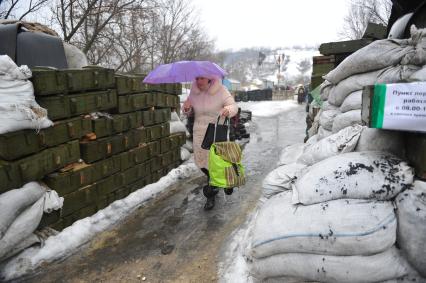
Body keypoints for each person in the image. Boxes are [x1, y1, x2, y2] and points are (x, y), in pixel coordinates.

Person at [182, 76, 238, 210]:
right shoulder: (193, 92)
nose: (199, 81)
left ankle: (210, 196)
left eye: (202, 78)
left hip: (216, 132)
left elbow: (233, 106)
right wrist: (186, 108)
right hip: (199, 134)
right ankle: (223, 180)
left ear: (209, 79)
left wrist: (228, 110)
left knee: (214, 163)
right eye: (197, 78)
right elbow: (188, 113)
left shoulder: (221, 90)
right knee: (203, 164)